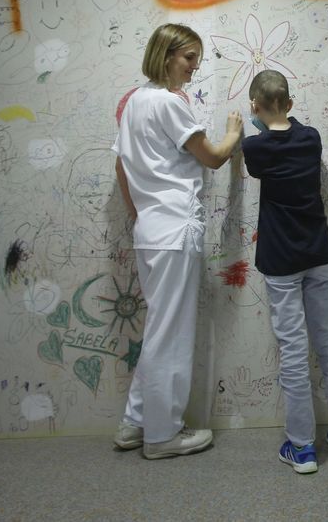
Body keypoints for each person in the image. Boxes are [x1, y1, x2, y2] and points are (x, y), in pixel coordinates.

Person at [112, 23, 243, 459]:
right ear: (166, 54)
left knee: (159, 330)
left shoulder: (133, 103)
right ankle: (163, 436)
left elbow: (121, 169)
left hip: (151, 231)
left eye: (197, 60)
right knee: (172, 334)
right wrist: (233, 132)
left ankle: (135, 423)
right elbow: (212, 156)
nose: (194, 67)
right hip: (175, 229)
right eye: (189, 58)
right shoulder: (168, 103)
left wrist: (140, 213)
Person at [242, 69, 328, 474]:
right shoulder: (311, 137)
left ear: (254, 107)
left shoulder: (255, 148)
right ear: (291, 104)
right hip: (320, 255)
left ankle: (302, 448)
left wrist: (241, 126)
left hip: (281, 262)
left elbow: (258, 153)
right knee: (327, 341)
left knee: (294, 351)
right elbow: (289, 133)